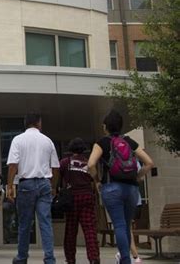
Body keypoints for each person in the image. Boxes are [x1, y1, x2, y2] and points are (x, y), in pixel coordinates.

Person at [88, 110, 154, 264]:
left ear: (105, 127)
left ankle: (125, 260)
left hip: (111, 188)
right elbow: (149, 163)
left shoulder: (101, 143)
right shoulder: (129, 141)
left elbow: (91, 164)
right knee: (126, 223)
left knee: (118, 224)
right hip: (131, 189)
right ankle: (127, 258)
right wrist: (137, 177)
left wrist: (97, 180)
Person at [7, 113, 60, 264]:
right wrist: (54, 186)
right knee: (45, 222)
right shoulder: (47, 141)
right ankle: (49, 258)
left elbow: (12, 165)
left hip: (26, 185)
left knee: (25, 223)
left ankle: (22, 257)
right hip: (44, 183)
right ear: (38, 123)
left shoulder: (18, 140)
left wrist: (10, 186)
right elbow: (55, 167)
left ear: (26, 123)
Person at [59, 138, 100, 264]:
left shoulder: (65, 162)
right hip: (87, 196)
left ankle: (70, 258)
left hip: (72, 198)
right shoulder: (89, 162)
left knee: (71, 230)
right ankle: (93, 257)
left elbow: (57, 176)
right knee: (89, 229)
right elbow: (94, 180)